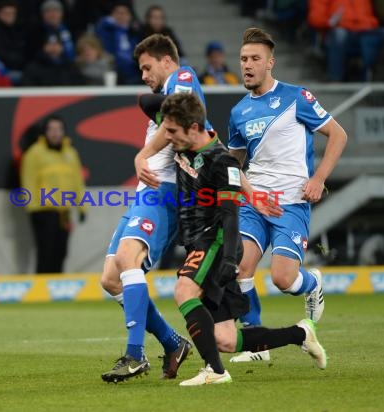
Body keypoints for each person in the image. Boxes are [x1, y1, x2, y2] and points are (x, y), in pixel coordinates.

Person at [155, 92, 327, 386]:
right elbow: (147, 103)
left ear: (193, 128)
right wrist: (140, 155)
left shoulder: (222, 163)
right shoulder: (183, 140)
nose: (165, 136)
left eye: (171, 131)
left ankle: (215, 371)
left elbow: (231, 214)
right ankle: (301, 334)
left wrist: (232, 259)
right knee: (225, 338)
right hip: (199, 242)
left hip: (216, 242)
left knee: (184, 290)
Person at [227, 27, 347, 362]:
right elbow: (235, 164)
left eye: (255, 59)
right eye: (243, 59)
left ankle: (312, 284)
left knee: (282, 278)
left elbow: (337, 135)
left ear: (270, 63)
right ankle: (256, 344)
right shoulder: (238, 112)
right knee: (241, 269)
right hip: (255, 203)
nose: (247, 65)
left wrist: (319, 178)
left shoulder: (296, 97)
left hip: (291, 203)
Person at [99, 33, 209, 383]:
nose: (144, 74)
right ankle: (172, 342)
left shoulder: (183, 75)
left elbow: (181, 110)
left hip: (166, 192)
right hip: (147, 193)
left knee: (128, 259)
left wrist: (143, 153)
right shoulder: (164, 97)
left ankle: (134, 355)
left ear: (167, 60)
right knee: (112, 278)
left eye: (147, 67)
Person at [20, 115, 87, 274]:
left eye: (59, 129)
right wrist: (33, 208)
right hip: (44, 211)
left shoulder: (70, 153)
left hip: (64, 211)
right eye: (51, 129)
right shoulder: (35, 153)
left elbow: (77, 182)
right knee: (45, 251)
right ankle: (42, 290)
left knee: (61, 251)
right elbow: (28, 181)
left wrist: (82, 207)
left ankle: (55, 288)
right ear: (45, 132)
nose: (55, 133)